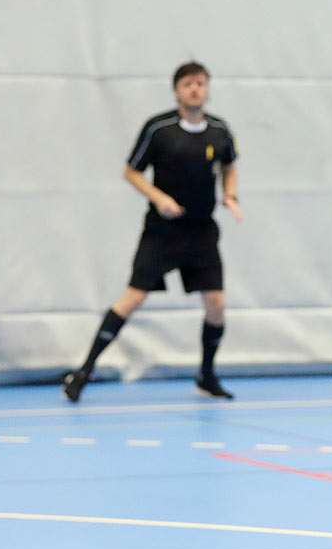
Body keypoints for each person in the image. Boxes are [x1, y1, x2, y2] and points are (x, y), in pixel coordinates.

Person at [63, 61, 242, 402]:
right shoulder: (159, 129)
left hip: (202, 231)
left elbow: (230, 166)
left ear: (207, 88)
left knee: (216, 304)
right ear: (177, 90)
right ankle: (82, 373)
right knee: (133, 298)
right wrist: (159, 198)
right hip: (163, 232)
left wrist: (229, 196)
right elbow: (131, 172)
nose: (195, 89)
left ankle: (206, 375)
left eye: (201, 83)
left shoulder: (220, 131)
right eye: (188, 84)